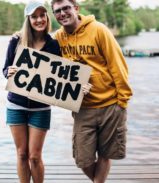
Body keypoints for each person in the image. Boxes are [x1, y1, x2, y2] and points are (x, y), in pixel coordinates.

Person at [50, 0, 133, 182]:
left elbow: (117, 64)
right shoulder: (58, 38)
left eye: (66, 8)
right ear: (54, 15)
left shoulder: (99, 29)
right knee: (82, 159)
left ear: (76, 9)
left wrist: (122, 101)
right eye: (57, 11)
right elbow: (44, 62)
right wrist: (17, 38)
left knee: (105, 154)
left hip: (110, 105)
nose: (62, 13)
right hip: (82, 109)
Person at [2, 1, 61, 183]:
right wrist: (9, 72)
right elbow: (5, 70)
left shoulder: (53, 45)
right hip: (16, 105)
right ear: (28, 19)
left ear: (46, 17)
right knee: (21, 154)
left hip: (40, 108)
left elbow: (59, 78)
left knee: (34, 156)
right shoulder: (16, 41)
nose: (39, 19)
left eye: (42, 15)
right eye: (34, 16)